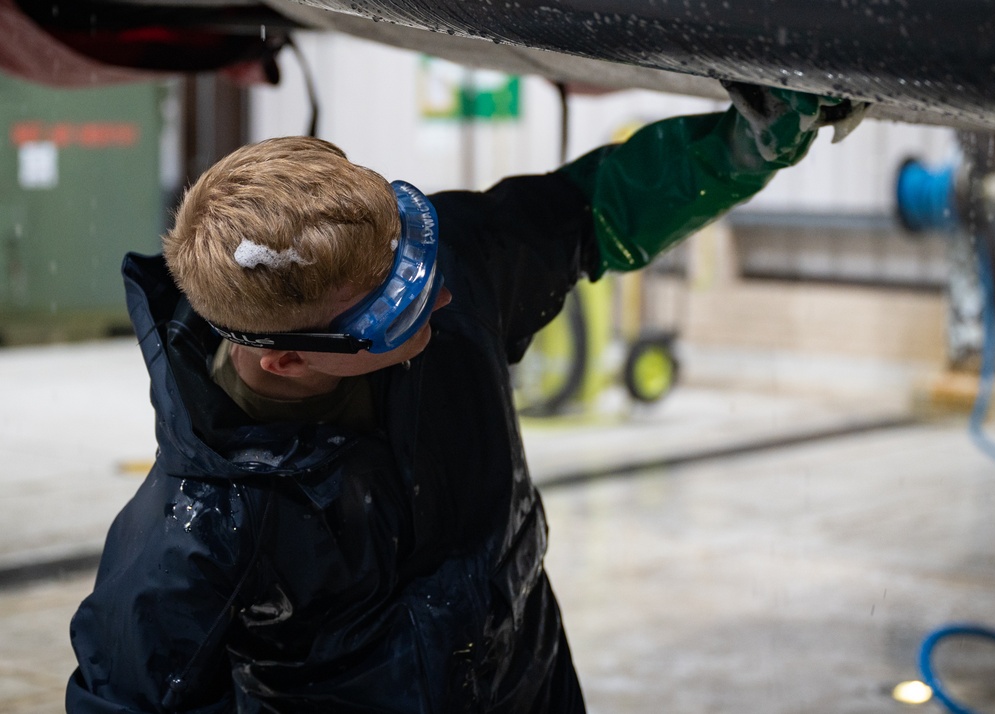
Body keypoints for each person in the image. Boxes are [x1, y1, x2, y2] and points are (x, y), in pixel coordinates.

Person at [66, 84, 863, 713]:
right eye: (393, 313)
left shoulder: (440, 281)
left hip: (533, 683)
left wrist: (739, 149)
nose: (436, 302)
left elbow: (587, 210)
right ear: (281, 361)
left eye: (413, 267)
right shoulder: (196, 538)